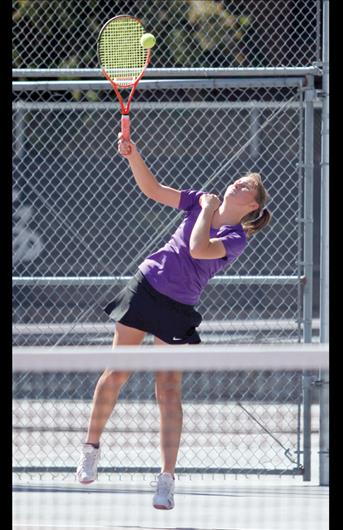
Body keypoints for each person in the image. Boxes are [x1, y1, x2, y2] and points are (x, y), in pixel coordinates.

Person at [76, 132, 272, 510]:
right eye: (240, 179)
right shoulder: (199, 198)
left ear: (251, 206)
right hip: (146, 286)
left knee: (167, 390)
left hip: (178, 308)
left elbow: (199, 249)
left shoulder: (235, 237)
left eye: (248, 187)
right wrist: (133, 155)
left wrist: (205, 210)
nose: (239, 183)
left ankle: (166, 479)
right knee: (117, 372)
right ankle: (90, 449)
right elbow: (153, 189)